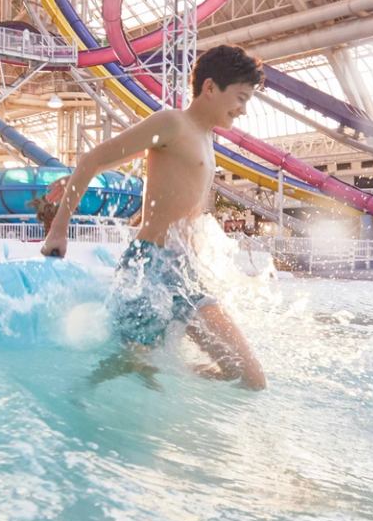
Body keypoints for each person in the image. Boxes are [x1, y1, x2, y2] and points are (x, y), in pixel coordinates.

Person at [42, 44, 267, 389]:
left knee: (248, 377)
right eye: (240, 97)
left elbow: (171, 191)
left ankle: (168, 373)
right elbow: (93, 160)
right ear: (210, 88)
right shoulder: (172, 123)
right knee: (125, 368)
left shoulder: (205, 138)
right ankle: (72, 400)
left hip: (183, 272)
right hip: (150, 269)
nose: (243, 109)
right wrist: (59, 230)